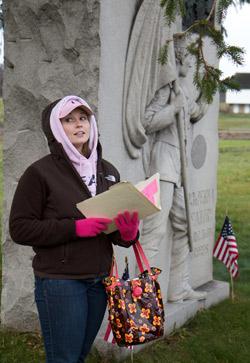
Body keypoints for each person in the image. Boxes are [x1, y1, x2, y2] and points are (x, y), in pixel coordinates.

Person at [9, 95, 139, 363]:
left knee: (79, 356)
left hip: (99, 279)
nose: (79, 125)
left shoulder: (108, 171)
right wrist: (75, 228)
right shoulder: (40, 173)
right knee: (64, 359)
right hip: (61, 281)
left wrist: (127, 234)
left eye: (83, 118)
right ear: (56, 128)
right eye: (69, 120)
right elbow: (20, 229)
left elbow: (109, 227)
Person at [140, 37, 208, 303]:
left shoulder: (184, 90)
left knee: (183, 226)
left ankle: (178, 287)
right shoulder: (168, 89)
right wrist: (172, 108)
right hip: (164, 165)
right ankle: (143, 294)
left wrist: (206, 90)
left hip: (180, 170)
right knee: (155, 230)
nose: (191, 63)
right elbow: (148, 121)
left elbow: (195, 111)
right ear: (177, 58)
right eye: (188, 57)